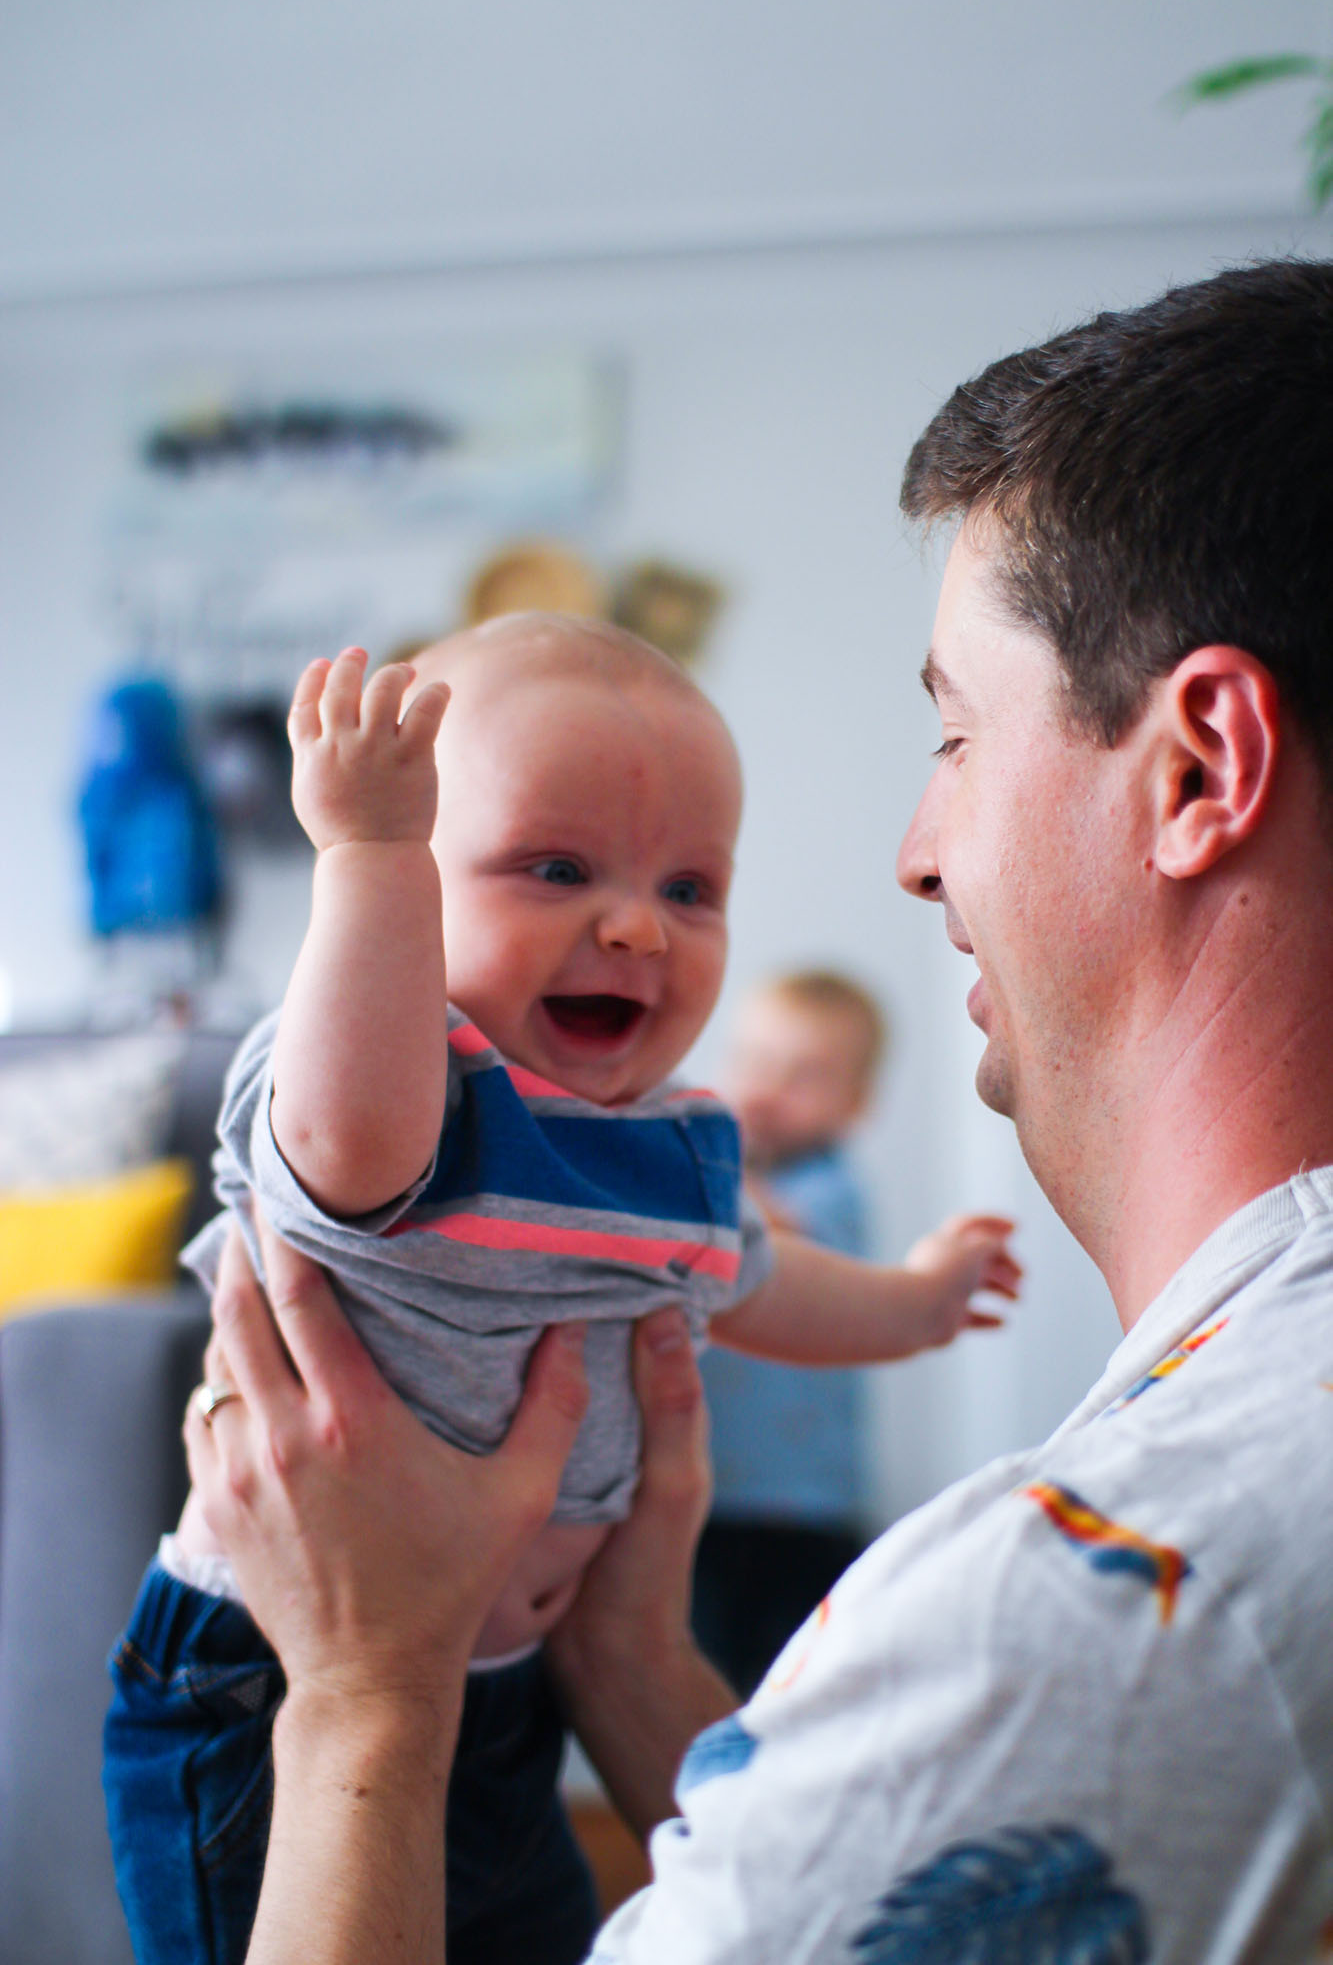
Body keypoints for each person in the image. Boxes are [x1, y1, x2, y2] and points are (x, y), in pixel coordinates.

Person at [185, 257, 1333, 1961]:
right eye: (552, 868)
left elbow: (764, 1275)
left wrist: (364, 1694)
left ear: (1193, 773)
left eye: (953, 737)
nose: (914, 850)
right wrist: (639, 1673)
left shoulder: (1108, 1601)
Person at [104, 612, 1020, 1965]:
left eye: (692, 889)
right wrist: (365, 857)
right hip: (269, 1676)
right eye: (554, 868)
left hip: (508, 1692)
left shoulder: (677, 1148)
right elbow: (352, 1149)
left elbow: (762, 1285)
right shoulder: (407, 1091)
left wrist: (916, 1305)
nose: (637, 927)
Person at [693, 969, 889, 1694]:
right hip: (703, 1499)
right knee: (700, 1675)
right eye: (753, 1061)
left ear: (855, 1104)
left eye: (805, 1075)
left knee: (795, 1687)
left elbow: (773, 1230)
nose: (768, 1087)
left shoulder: (831, 1188)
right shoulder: (725, 1182)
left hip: (805, 1511)